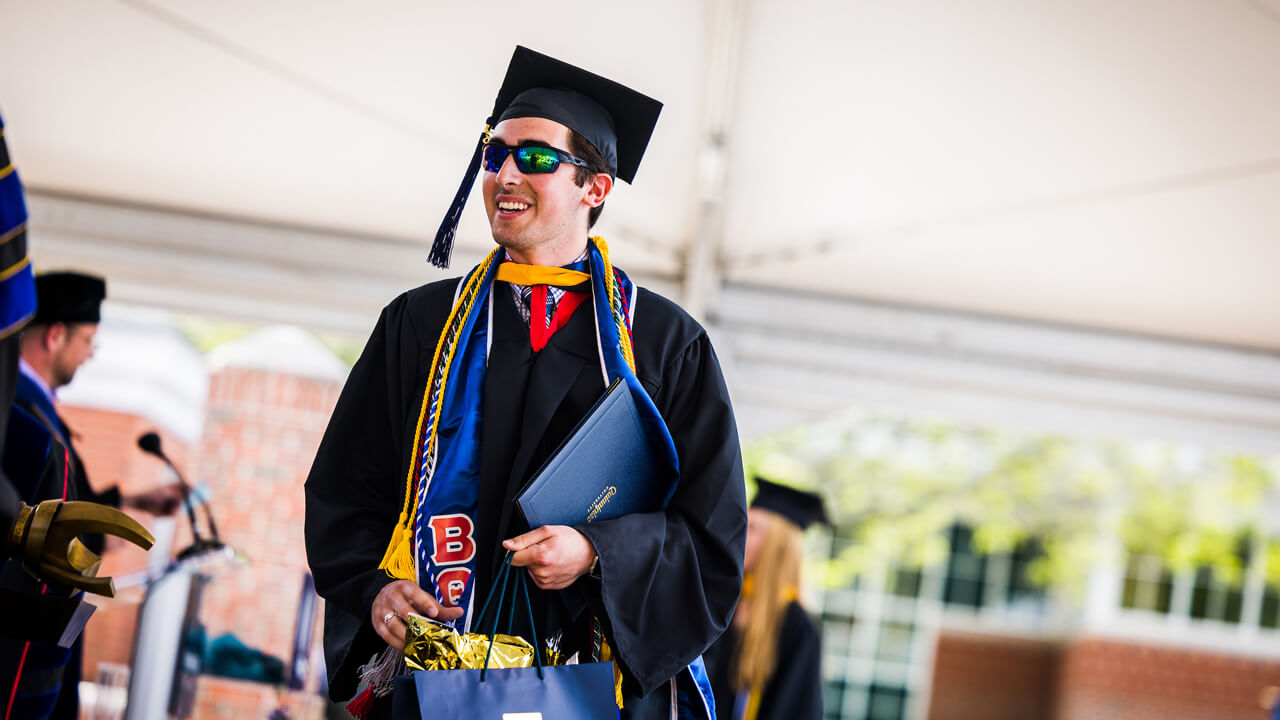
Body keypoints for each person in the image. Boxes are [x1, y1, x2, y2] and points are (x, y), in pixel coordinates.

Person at [305, 46, 746, 720]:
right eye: (495, 155)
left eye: (536, 158)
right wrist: (372, 588)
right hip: (436, 676)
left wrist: (597, 552)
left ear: (594, 188)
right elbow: (346, 490)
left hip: (587, 682)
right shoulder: (420, 325)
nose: (505, 173)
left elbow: (710, 535)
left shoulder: (665, 342)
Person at [3, 270, 179, 719]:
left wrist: (137, 501)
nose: (89, 355)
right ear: (56, 335)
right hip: (18, 644)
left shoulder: (36, 407)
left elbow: (57, 502)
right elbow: (38, 515)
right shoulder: (18, 410)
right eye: (87, 340)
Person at [703, 478, 827, 720]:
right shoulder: (724, 603)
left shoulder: (797, 626)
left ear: (776, 545)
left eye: (754, 528)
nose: (740, 533)